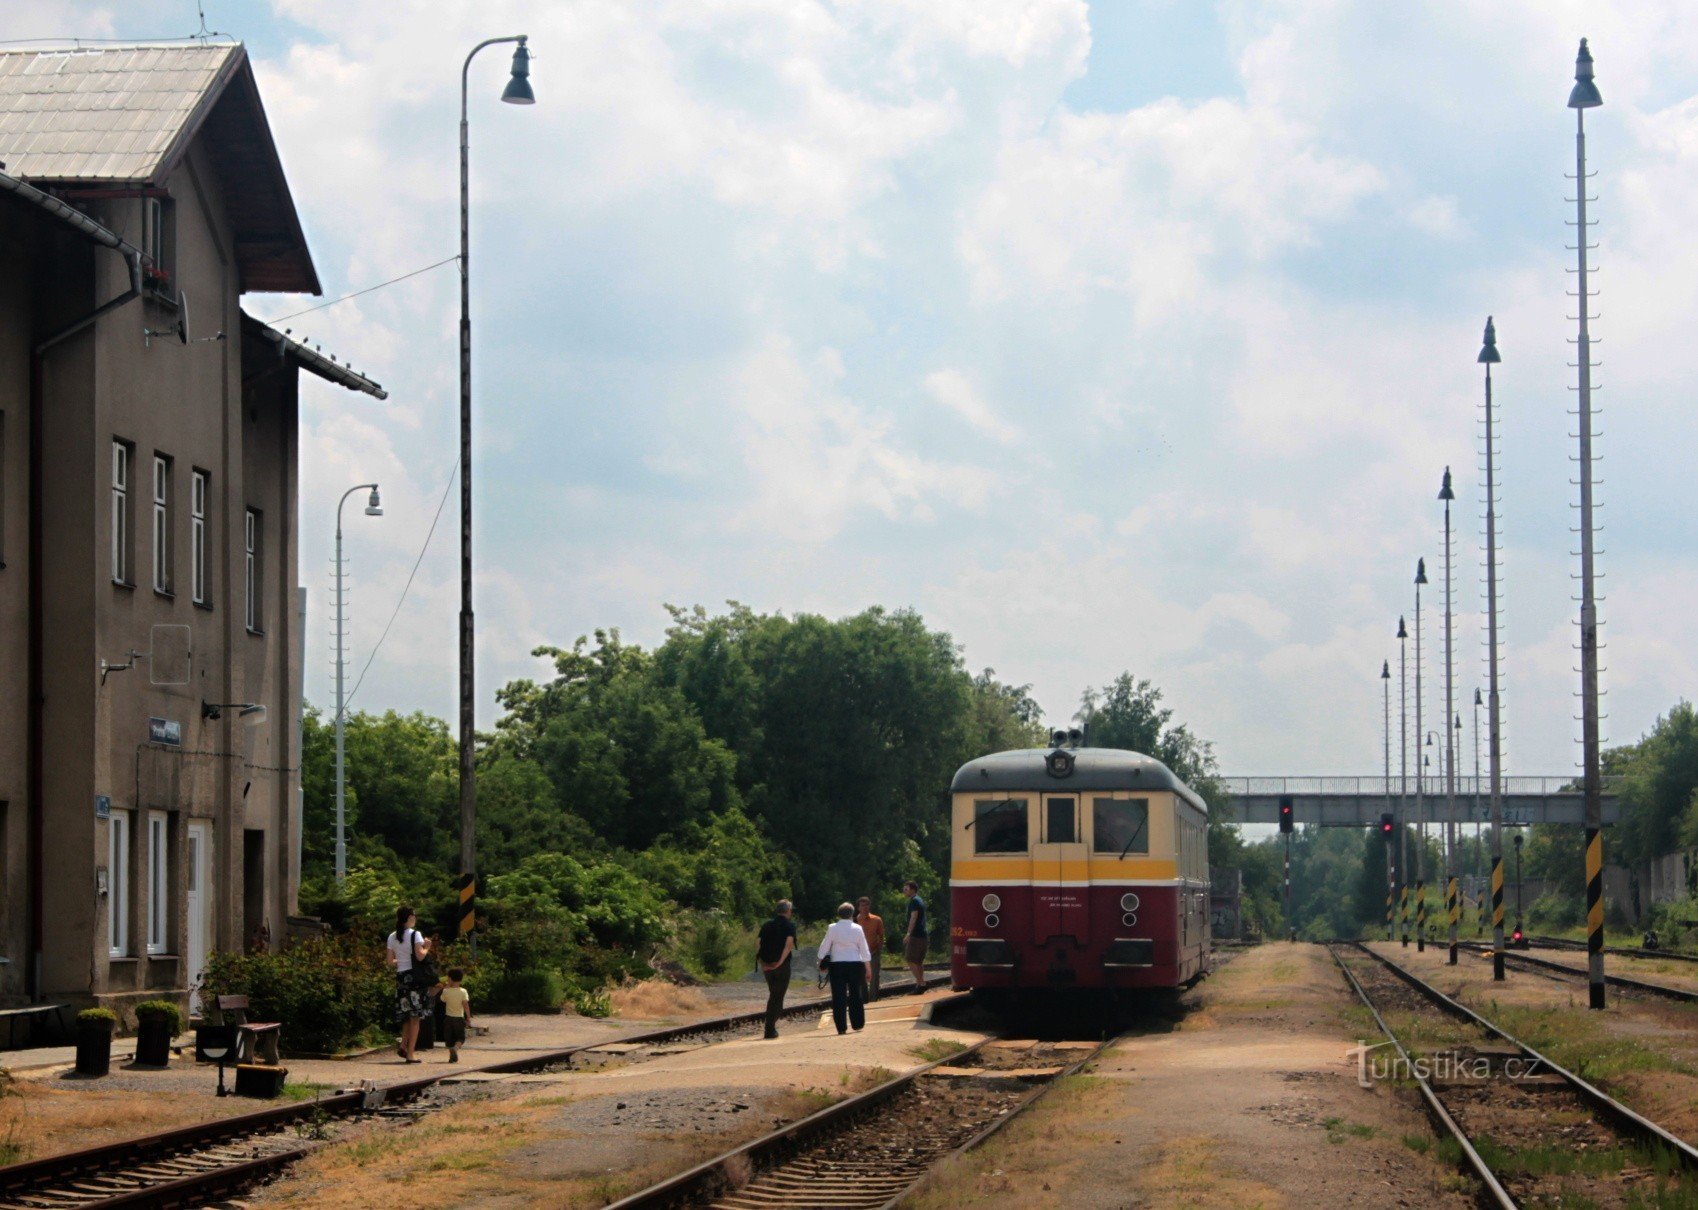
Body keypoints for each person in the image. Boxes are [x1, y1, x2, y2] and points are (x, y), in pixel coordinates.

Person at [386, 905, 432, 1062]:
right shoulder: (415, 934)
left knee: (406, 1015)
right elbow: (420, 957)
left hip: (401, 977)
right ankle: (411, 1053)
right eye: (414, 915)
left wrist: (402, 959)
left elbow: (390, 962)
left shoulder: (392, 936)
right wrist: (427, 947)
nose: (415, 918)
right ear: (410, 917)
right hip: (415, 978)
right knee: (415, 1018)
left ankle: (403, 1046)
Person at [817, 902, 872, 1034]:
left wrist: (820, 960)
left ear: (839, 914)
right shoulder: (858, 928)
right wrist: (868, 968)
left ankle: (841, 1027)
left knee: (838, 996)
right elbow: (864, 950)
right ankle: (857, 1023)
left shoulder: (832, 928)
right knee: (855, 994)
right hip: (855, 964)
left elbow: (824, 946)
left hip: (837, 965)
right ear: (852, 914)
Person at [756, 899, 797, 1040]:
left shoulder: (766, 925)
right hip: (781, 966)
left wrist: (762, 962)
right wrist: (780, 962)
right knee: (777, 996)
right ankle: (770, 1029)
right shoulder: (789, 925)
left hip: (767, 965)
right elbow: (788, 945)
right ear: (787, 911)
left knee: (773, 994)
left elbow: (758, 944)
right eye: (790, 910)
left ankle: (770, 1028)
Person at [855, 897, 886, 1001]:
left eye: (867, 905)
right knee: (861, 976)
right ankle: (863, 999)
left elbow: (881, 936)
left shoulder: (877, 919)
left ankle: (873, 999)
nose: (865, 907)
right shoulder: (856, 920)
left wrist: (878, 949)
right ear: (858, 907)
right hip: (860, 953)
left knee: (874, 977)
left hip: (873, 952)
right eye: (862, 905)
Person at [439, 968, 472, 1063]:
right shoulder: (463, 991)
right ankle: (455, 1049)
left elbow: (442, 1000)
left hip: (448, 1018)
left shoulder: (446, 991)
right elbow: (465, 1005)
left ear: (450, 979)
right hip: (459, 1018)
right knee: (460, 1038)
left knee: (450, 1039)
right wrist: (468, 1017)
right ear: (461, 979)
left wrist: (445, 988)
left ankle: (452, 1056)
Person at [901, 880, 928, 993]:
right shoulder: (919, 900)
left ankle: (921, 983)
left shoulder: (914, 901)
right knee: (918, 962)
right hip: (923, 934)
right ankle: (920, 985)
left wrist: (908, 934)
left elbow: (913, 918)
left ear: (912, 890)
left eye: (906, 889)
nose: (904, 891)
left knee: (910, 959)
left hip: (916, 935)